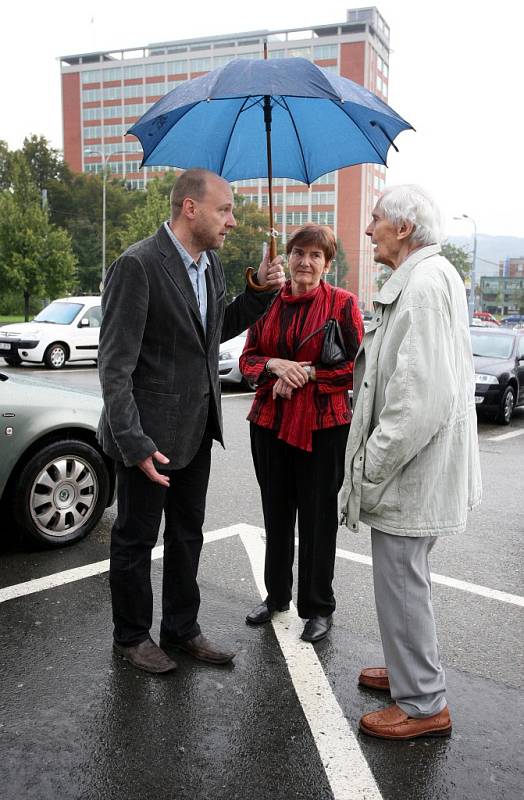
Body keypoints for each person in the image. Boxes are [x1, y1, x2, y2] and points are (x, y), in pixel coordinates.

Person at [97, 168, 285, 674]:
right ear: (190, 208)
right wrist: (133, 442)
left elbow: (215, 330)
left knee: (187, 535)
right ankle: (132, 637)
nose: (232, 219)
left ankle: (181, 629)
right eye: (224, 209)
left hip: (197, 428)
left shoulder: (213, 265)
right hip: (146, 437)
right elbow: (114, 367)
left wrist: (261, 291)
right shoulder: (137, 265)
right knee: (136, 540)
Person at [340, 185, 482, 739]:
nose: (370, 228)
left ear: (403, 229)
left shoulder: (422, 285)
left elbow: (416, 400)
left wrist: (370, 466)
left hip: (410, 472)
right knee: (406, 579)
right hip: (419, 470)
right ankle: (409, 676)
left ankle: (423, 703)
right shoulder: (430, 277)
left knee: (401, 582)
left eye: (376, 219)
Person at [240, 224, 364, 643]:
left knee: (317, 519)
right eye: (298, 253)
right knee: (275, 514)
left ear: (328, 264)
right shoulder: (268, 303)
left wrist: (308, 374)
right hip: (270, 424)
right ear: (287, 258)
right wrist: (275, 368)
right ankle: (275, 596)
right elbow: (247, 360)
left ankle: (318, 607)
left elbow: (355, 369)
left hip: (324, 427)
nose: (305, 262)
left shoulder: (342, 305)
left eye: (315, 255)